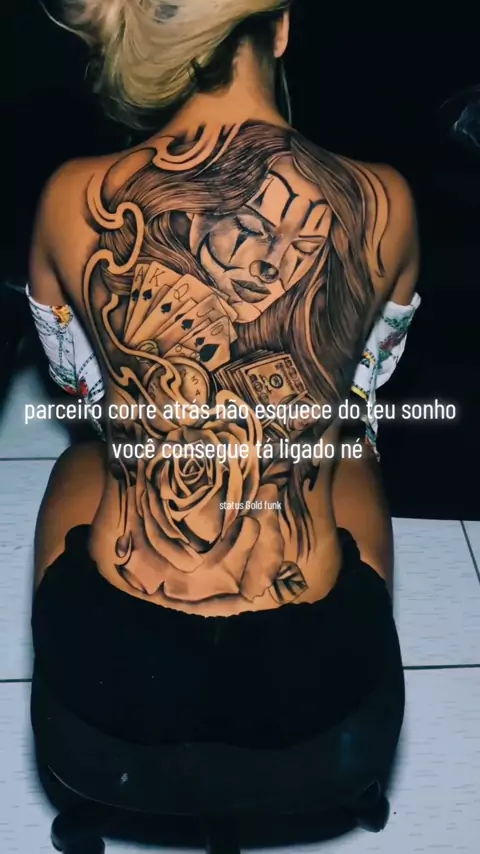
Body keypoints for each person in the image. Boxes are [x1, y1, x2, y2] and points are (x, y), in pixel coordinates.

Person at [29, 0, 420, 748]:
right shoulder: (386, 203)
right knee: (351, 450)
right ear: (281, 26)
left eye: (300, 248)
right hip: (313, 669)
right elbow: (365, 385)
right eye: (250, 231)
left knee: (84, 458)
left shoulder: (71, 197)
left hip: (112, 664)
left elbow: (80, 387)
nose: (272, 265)